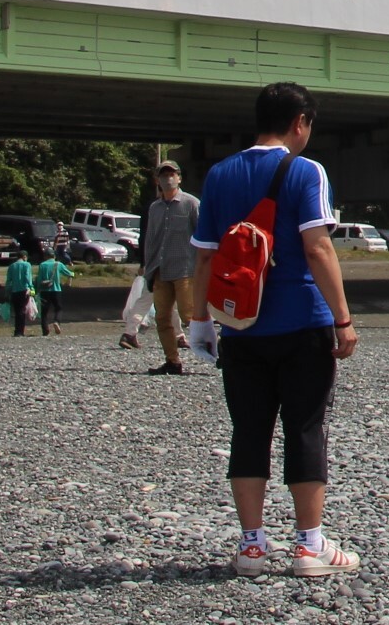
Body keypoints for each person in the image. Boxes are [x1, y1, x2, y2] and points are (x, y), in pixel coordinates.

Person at [187, 81, 361, 579]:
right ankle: (309, 547)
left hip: (240, 326)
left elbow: (203, 256)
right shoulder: (306, 171)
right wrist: (342, 319)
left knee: (249, 430)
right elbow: (317, 247)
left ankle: (252, 547)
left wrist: (201, 318)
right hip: (302, 322)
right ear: (300, 121)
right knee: (305, 427)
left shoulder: (218, 175)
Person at [134, 160, 201, 375]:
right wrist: (147, 267)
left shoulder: (191, 203)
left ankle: (221, 349)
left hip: (185, 270)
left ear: (179, 178)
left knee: (190, 315)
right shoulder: (154, 208)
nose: (168, 178)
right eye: (163, 175)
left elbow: (203, 235)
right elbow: (151, 239)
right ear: (157, 180)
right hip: (160, 270)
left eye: (172, 174)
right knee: (162, 318)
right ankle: (172, 361)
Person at [33, 248, 74, 335]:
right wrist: (69, 280)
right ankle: (56, 321)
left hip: (44, 291)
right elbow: (70, 273)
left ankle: (45, 331)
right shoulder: (58, 264)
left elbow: (39, 279)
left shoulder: (42, 265)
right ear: (54, 256)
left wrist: (36, 290)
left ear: (45, 256)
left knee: (44, 312)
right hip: (56, 290)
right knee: (58, 308)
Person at [4, 250, 36, 338]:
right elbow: (28, 278)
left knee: (17, 311)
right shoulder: (27, 265)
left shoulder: (11, 266)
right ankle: (20, 331)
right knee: (22, 311)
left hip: (14, 291)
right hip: (24, 290)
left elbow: (8, 281)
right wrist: (32, 290)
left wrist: (7, 292)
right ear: (24, 257)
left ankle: (16, 331)